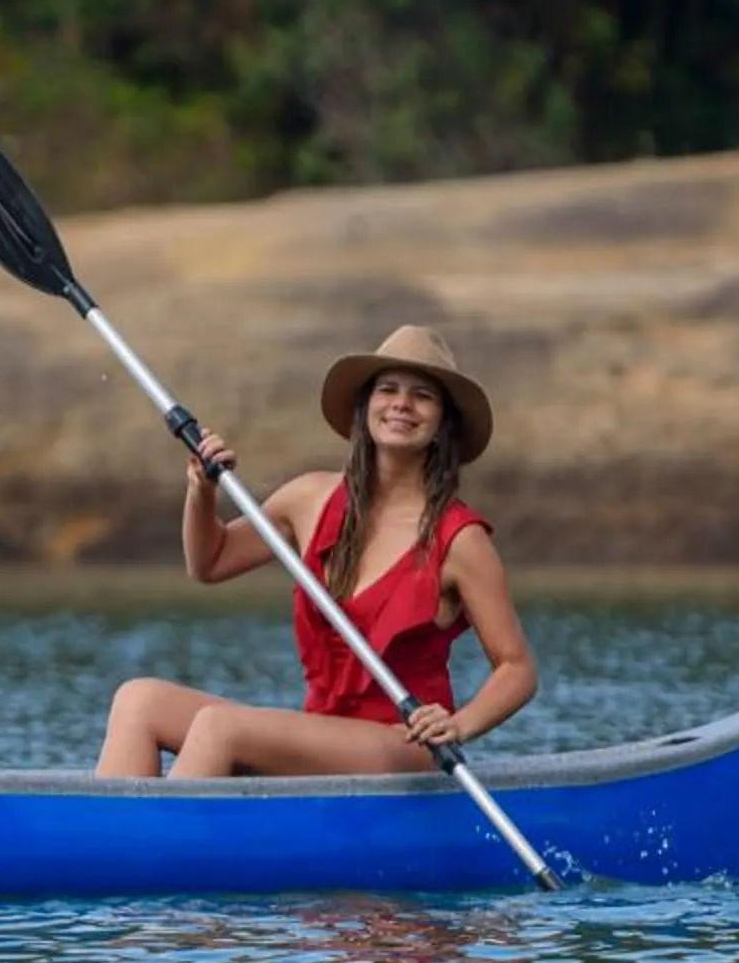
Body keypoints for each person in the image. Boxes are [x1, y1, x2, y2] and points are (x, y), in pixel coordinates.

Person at [95, 324, 538, 778]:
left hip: (401, 740)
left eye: (422, 395)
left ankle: (163, 847)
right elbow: (210, 562)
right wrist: (202, 493)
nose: (401, 403)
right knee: (138, 700)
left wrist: (458, 723)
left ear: (444, 424)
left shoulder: (460, 539)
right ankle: (107, 845)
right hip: (321, 730)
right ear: (366, 408)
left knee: (219, 728)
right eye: (388, 389)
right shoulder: (310, 499)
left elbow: (517, 669)